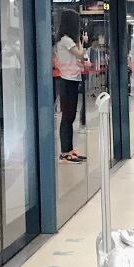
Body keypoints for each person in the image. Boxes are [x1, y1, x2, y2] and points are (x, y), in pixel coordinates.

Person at [54, 9, 87, 163]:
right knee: (67, 116)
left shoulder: (67, 40)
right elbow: (80, 54)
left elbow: (80, 59)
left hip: (72, 79)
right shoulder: (66, 40)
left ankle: (69, 149)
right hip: (67, 80)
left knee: (71, 115)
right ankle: (65, 151)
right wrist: (82, 41)